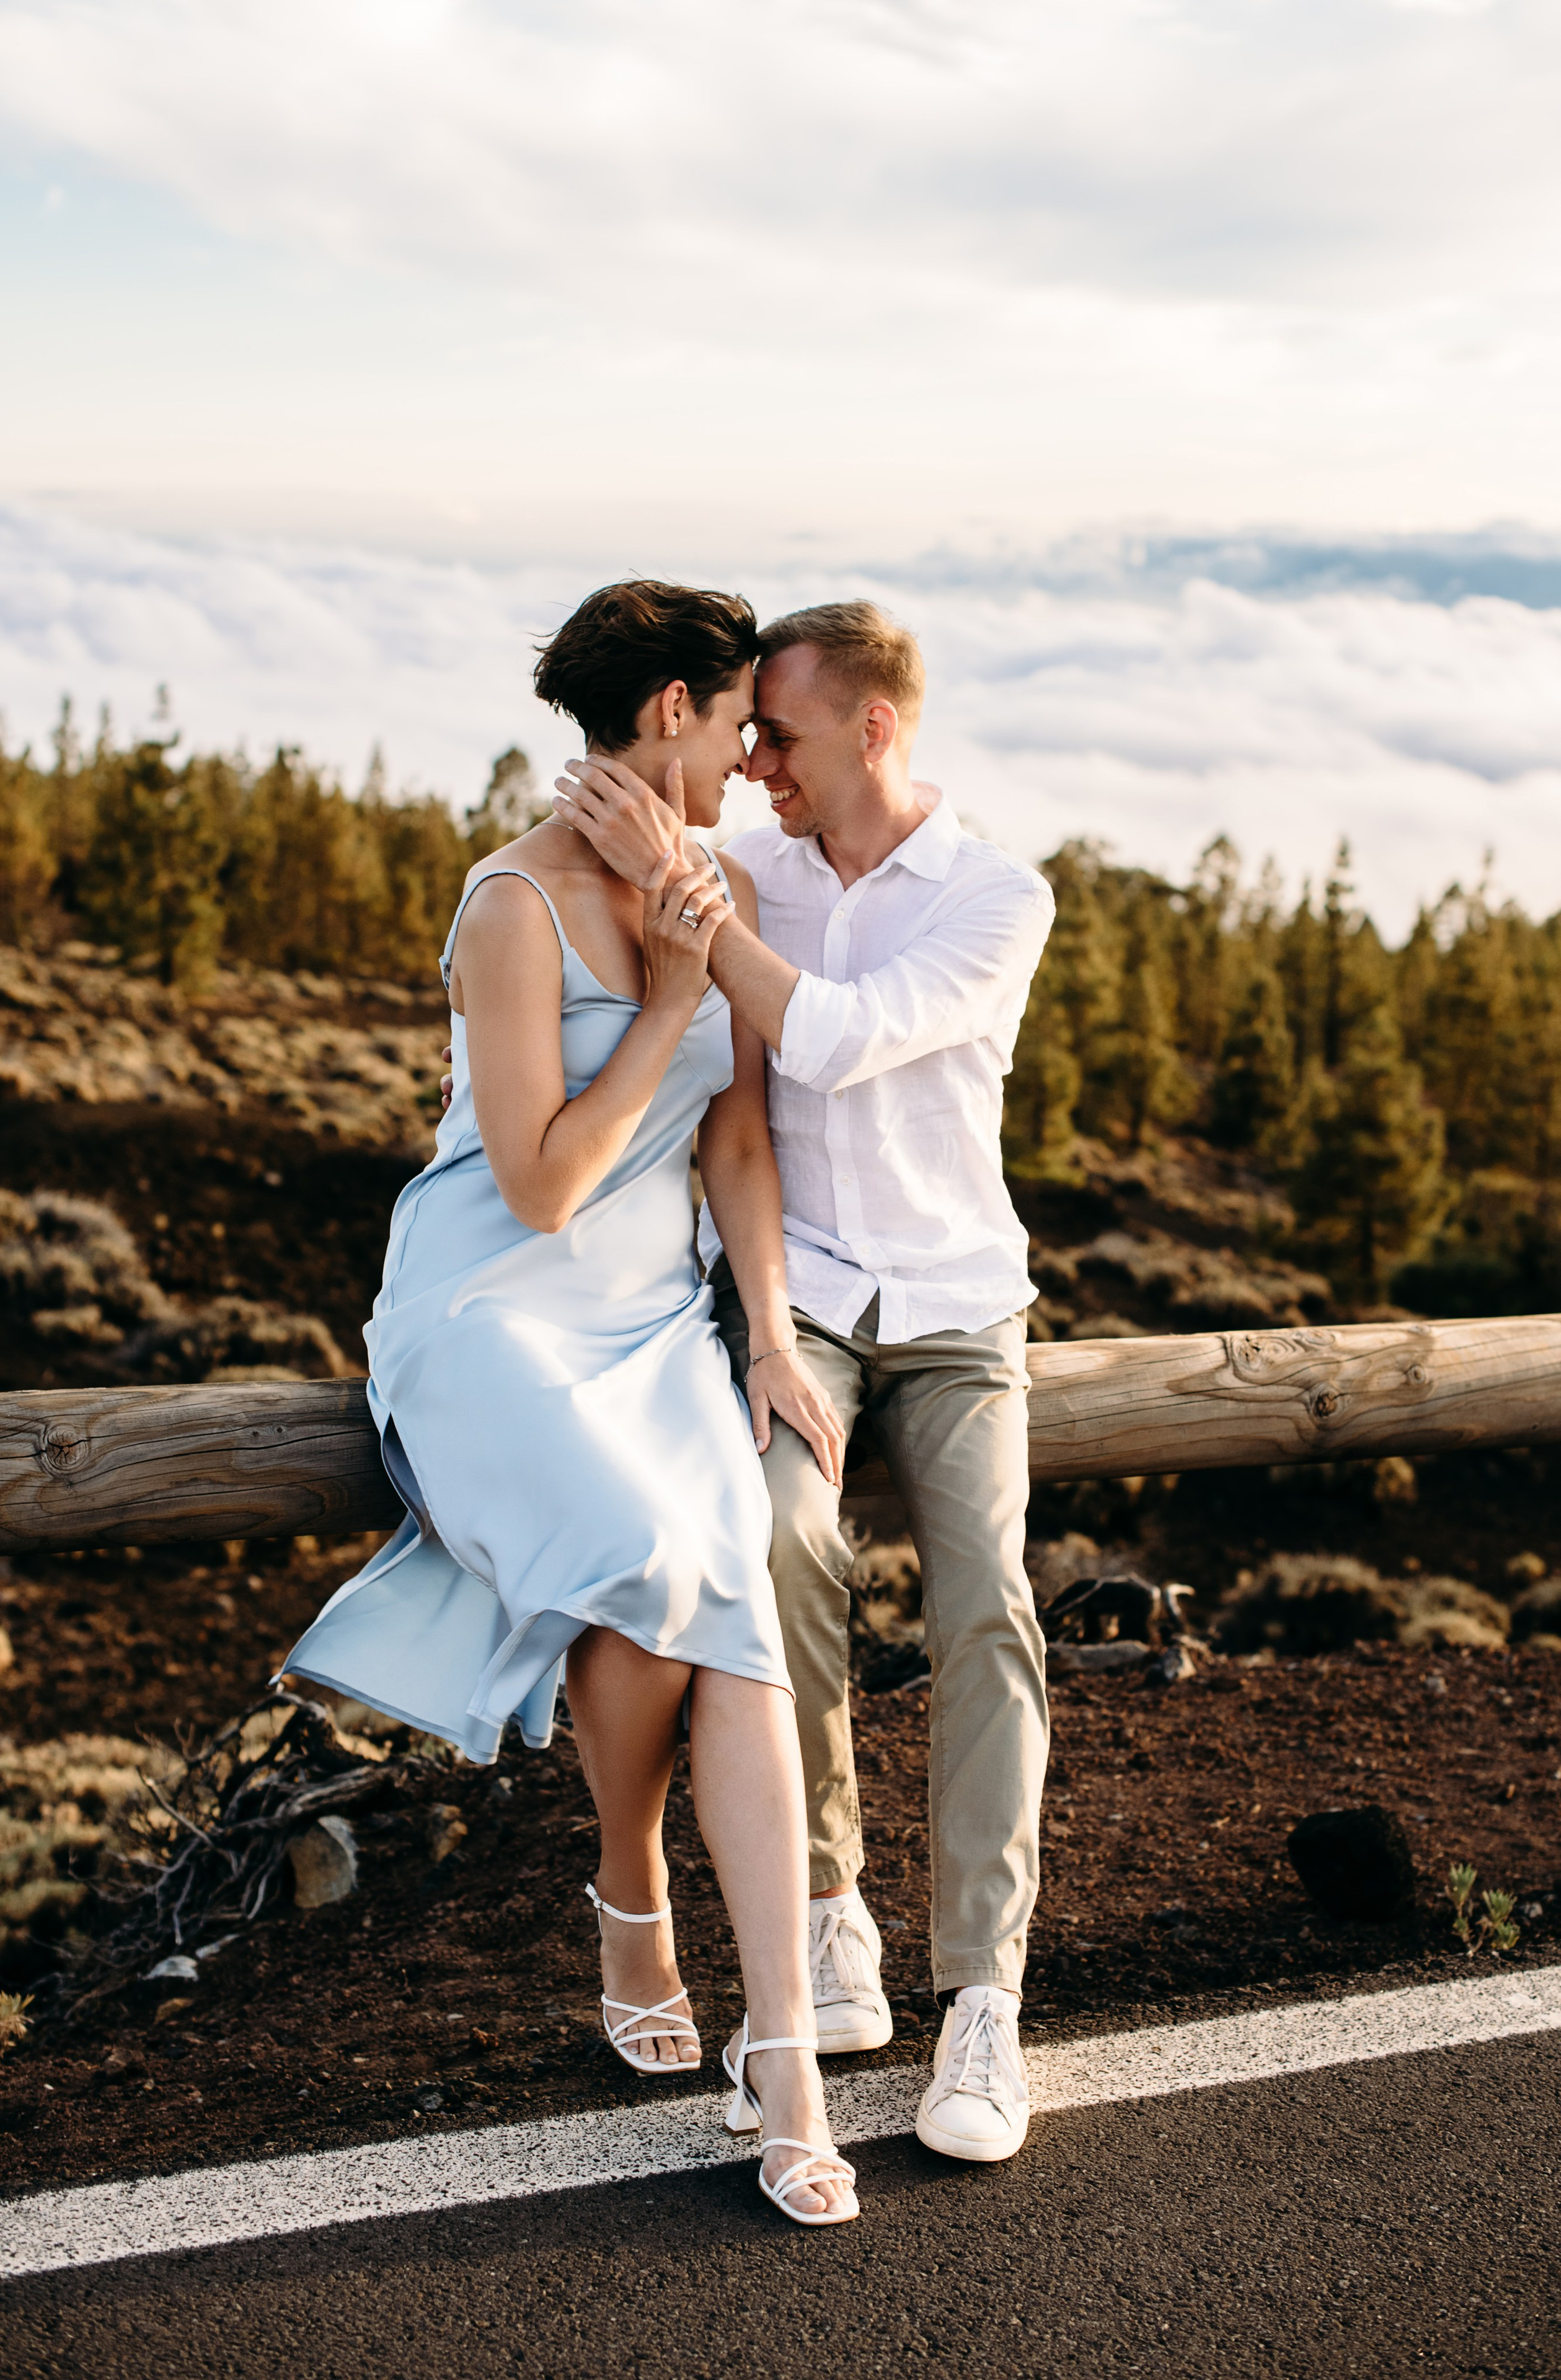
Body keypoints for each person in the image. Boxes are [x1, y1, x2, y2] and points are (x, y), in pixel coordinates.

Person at [284, 580, 858, 2227]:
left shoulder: (714, 878)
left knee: (728, 1598)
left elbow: (735, 1142)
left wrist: (764, 1335)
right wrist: (671, 1000)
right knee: (654, 1562)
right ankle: (626, 1884)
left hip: (660, 1318)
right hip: (493, 1319)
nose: (758, 755)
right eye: (743, 720)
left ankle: (789, 2071)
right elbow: (537, 1186)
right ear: (669, 711)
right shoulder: (511, 908)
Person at [551, 598, 1056, 2165]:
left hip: (962, 1309)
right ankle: (831, 1911)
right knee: (778, 1548)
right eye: (742, 732)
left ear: (874, 729)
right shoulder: (751, 868)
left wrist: (683, 887)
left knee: (985, 1602)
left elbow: (834, 1040)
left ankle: (982, 2000)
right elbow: (725, 1097)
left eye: (777, 731)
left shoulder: (991, 896)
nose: (752, 758)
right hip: (806, 1300)